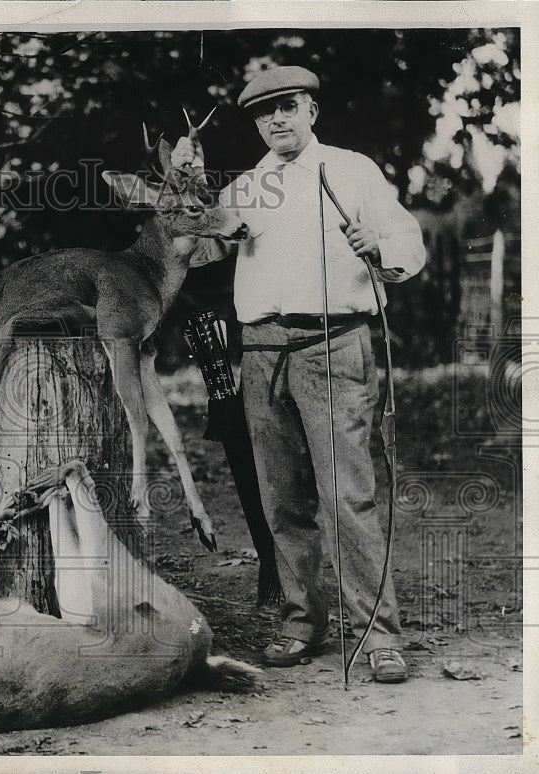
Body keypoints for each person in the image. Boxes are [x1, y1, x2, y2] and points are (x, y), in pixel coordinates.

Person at [174, 65, 426, 683]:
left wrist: (380, 245)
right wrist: (189, 189)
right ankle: (300, 620)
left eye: (287, 106)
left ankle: (380, 635)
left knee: (348, 495)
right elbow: (197, 245)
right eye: (264, 113)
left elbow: (408, 244)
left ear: (311, 108)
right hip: (261, 353)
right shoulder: (249, 185)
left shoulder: (351, 169)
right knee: (282, 498)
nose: (277, 119)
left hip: (333, 345)